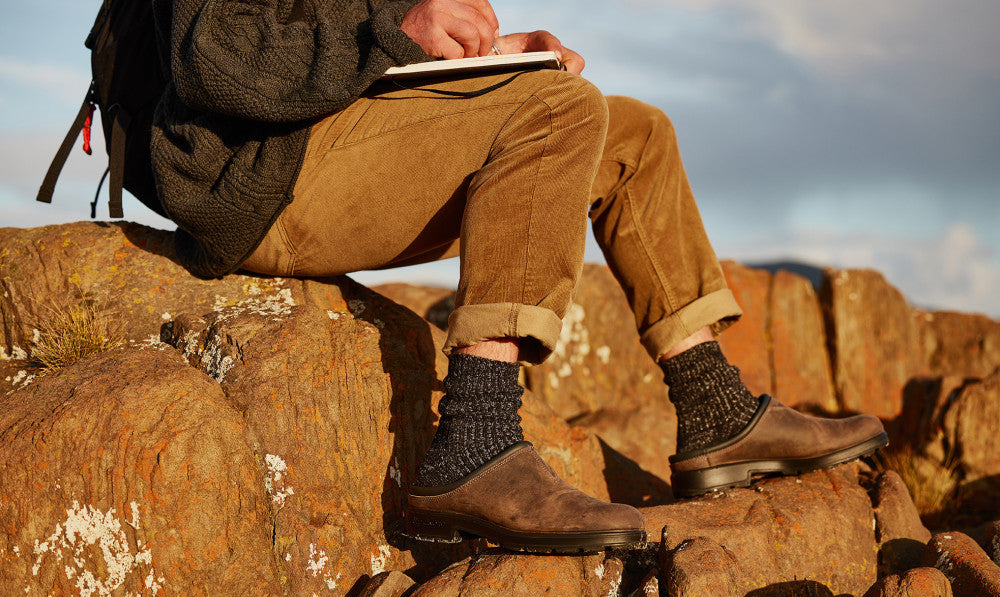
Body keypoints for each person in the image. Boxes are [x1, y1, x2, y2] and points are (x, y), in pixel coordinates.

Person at [151, 0, 888, 552]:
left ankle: (714, 411)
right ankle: (477, 437)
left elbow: (365, 53)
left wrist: (495, 56)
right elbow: (211, 58)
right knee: (557, 112)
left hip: (336, 138)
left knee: (634, 132)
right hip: (254, 180)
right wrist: (400, 30)